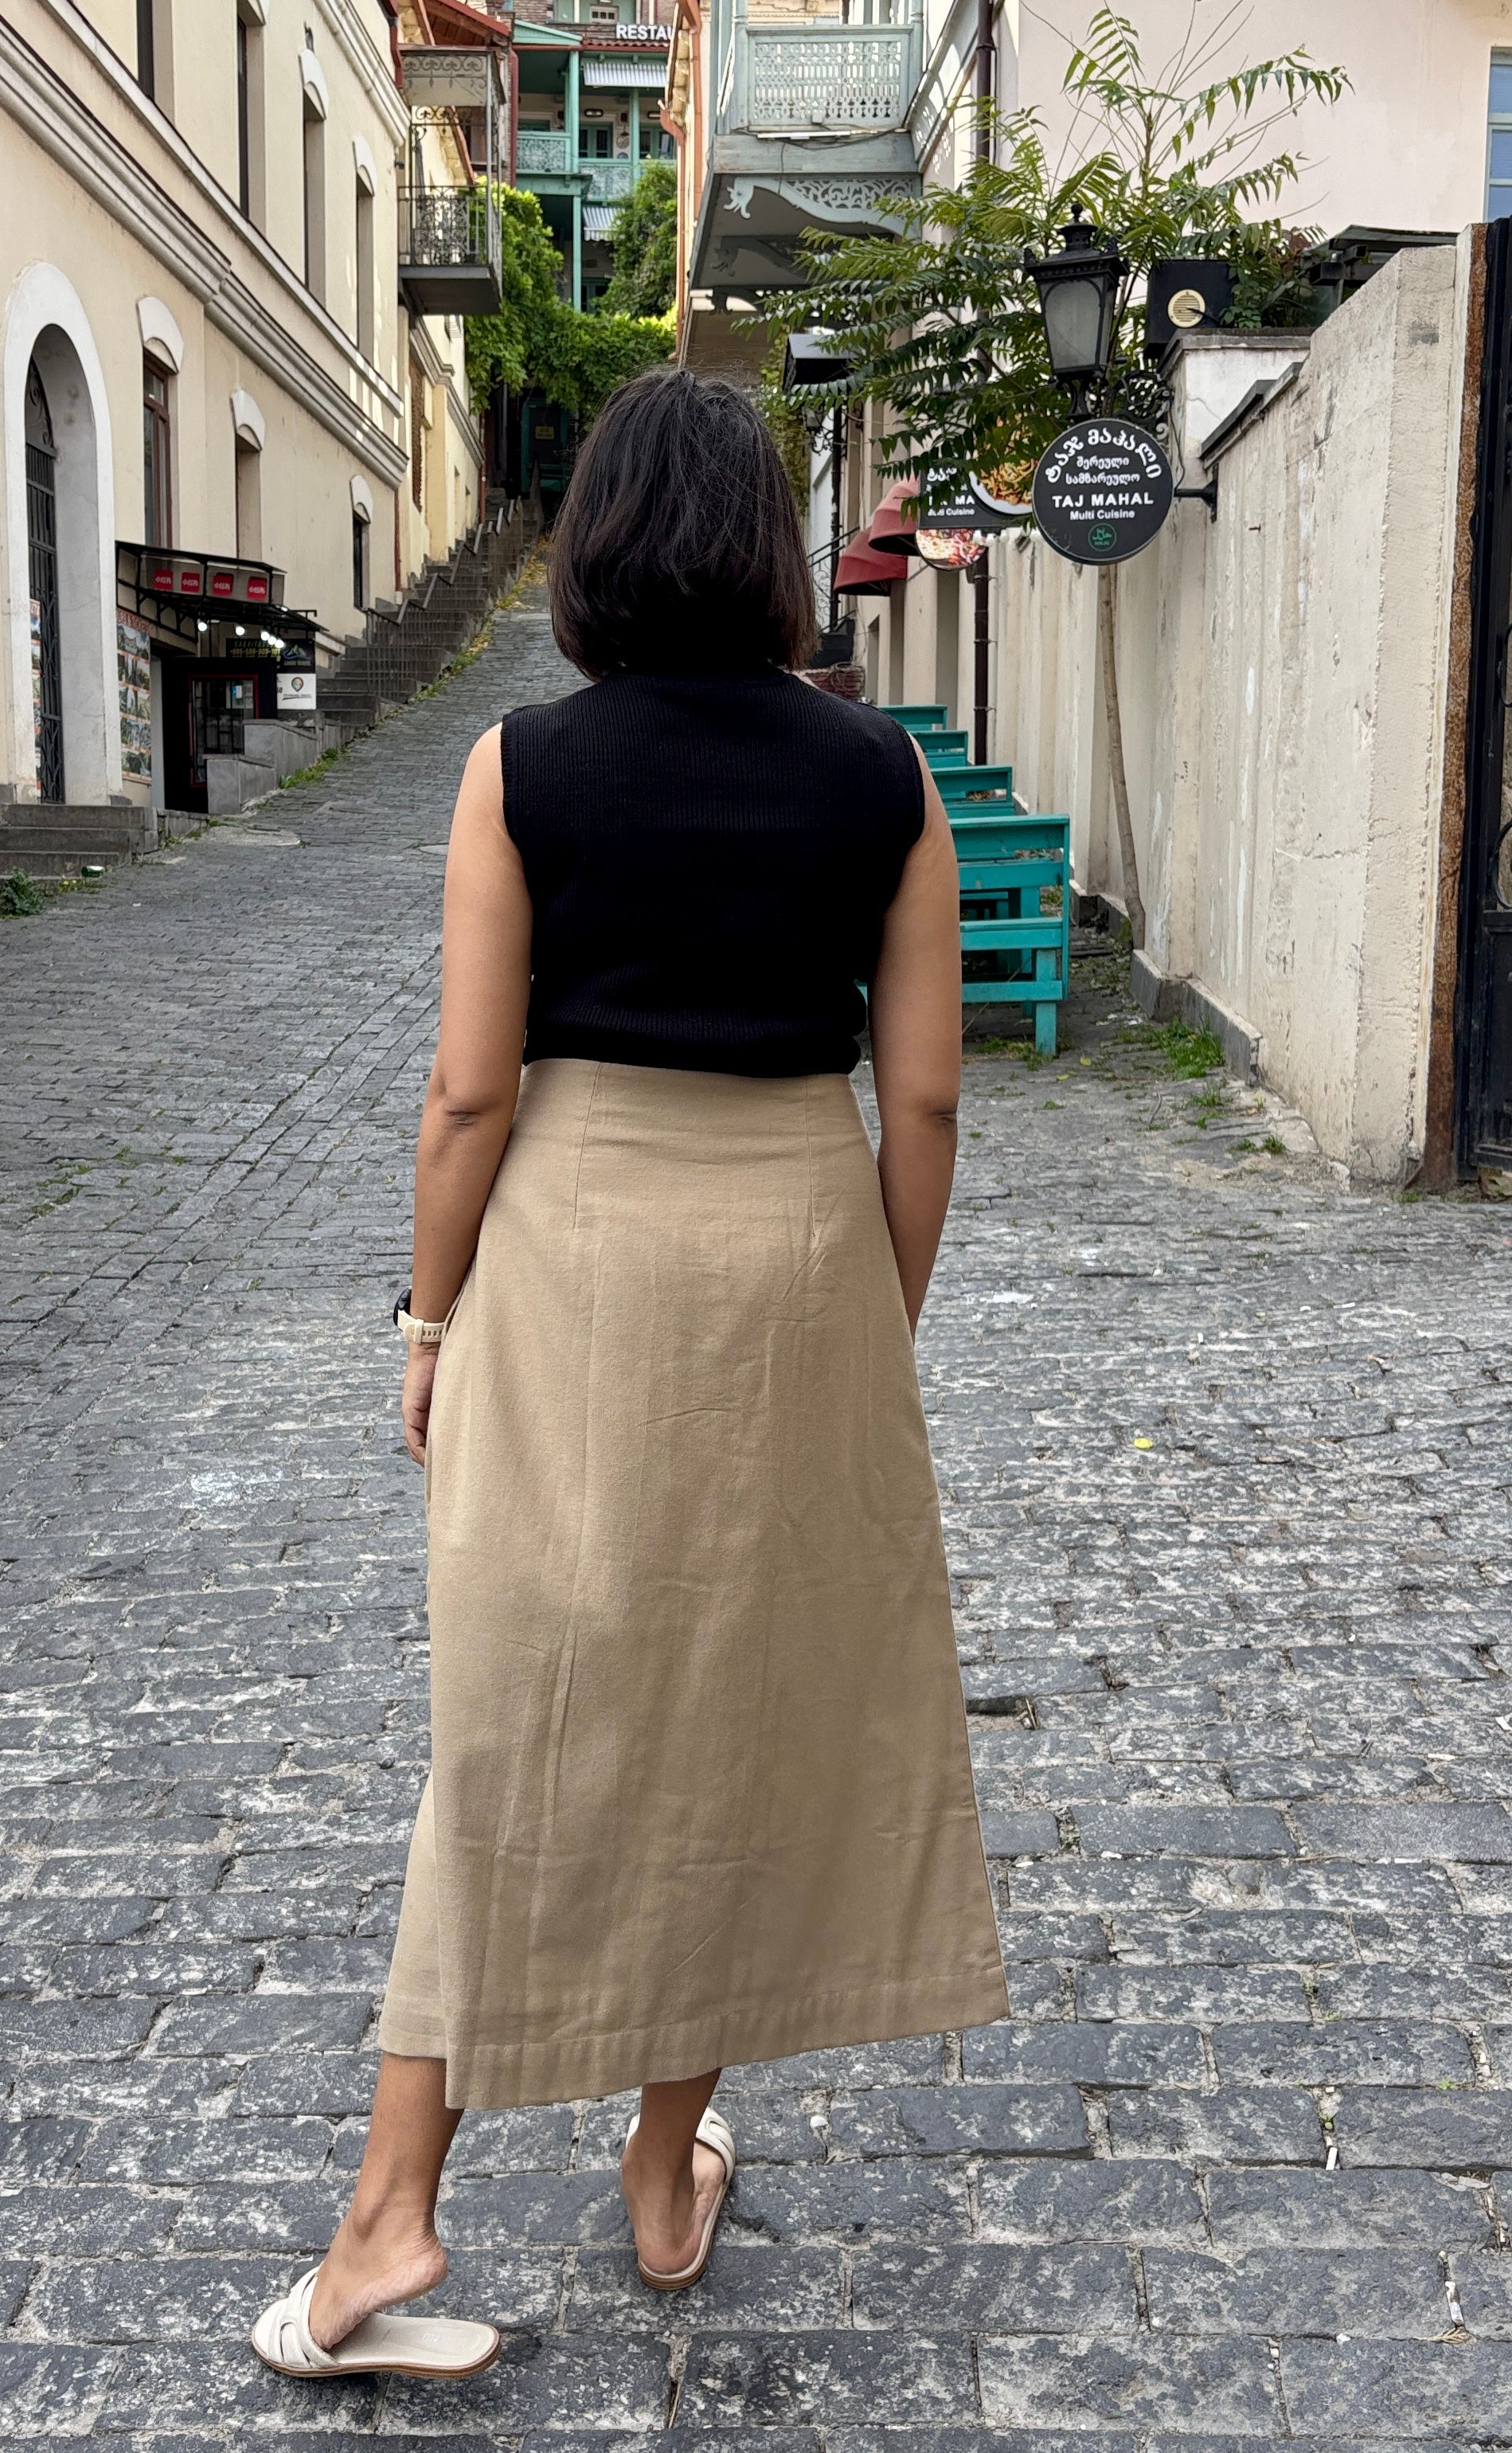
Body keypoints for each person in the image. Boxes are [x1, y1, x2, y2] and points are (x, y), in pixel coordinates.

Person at [251, 366, 1008, 2385]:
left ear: (589, 547)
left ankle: (391, 2210)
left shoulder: (519, 766)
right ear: (771, 550)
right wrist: (873, 1312)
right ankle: (666, 2168)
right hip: (796, 1249)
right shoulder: (888, 774)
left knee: (513, 1725)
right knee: (734, 1709)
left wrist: (425, 1322)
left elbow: (467, 1090)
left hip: (572, 1249)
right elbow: (922, 1098)